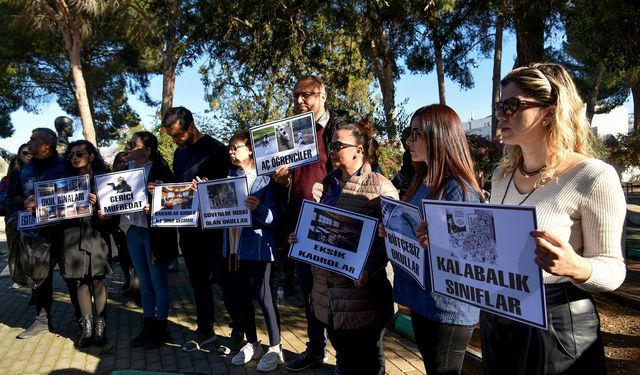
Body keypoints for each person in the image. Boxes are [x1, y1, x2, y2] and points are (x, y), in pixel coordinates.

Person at [481, 62, 626, 374]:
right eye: (499, 106)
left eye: (512, 105)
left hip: (558, 326)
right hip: (500, 316)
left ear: (549, 111)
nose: (500, 115)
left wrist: (577, 266)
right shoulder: (501, 175)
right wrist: (441, 242)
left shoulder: (594, 175)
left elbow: (614, 269)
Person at [379, 104, 483, 374]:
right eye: (408, 134)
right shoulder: (421, 179)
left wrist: (441, 241)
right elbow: (414, 227)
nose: (408, 142)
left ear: (438, 137)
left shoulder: (458, 189)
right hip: (423, 300)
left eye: (416, 135)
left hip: (448, 308)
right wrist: (393, 231)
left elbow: (475, 257)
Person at [288, 119, 397, 375]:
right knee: (345, 362)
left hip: (362, 299)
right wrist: (302, 237)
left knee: (369, 363)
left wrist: (368, 268)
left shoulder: (381, 186)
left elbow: (392, 239)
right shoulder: (328, 184)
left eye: (339, 145)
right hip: (329, 298)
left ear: (359, 150)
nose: (333, 150)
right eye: (331, 145)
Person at [273, 75, 350, 372]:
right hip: (299, 225)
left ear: (323, 95)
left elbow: (354, 173)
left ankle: (345, 356)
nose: (300, 101)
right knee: (309, 294)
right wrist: (281, 181)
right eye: (296, 95)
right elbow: (286, 183)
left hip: (332, 226)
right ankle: (315, 348)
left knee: (337, 294)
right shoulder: (289, 134)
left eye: (307, 94)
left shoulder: (338, 131)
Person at [161, 106, 241, 352]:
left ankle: (239, 328)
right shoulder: (179, 153)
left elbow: (232, 186)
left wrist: (210, 187)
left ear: (190, 126)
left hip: (215, 230)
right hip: (188, 229)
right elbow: (179, 188)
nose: (175, 140)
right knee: (198, 281)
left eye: (178, 135)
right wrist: (163, 191)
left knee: (225, 280)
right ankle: (205, 328)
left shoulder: (216, 149)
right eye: (172, 137)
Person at [222, 131, 284, 371]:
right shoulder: (228, 177)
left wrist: (258, 209)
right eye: (229, 148)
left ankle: (276, 348)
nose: (231, 151)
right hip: (233, 247)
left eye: (235, 147)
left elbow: (275, 217)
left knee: (264, 297)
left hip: (259, 248)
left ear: (250, 149)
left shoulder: (266, 179)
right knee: (240, 297)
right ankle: (252, 343)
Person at [121, 131, 178, 350]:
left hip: (155, 234)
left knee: (158, 281)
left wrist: (156, 200)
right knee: (143, 282)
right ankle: (147, 326)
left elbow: (177, 200)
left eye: (132, 145)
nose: (127, 148)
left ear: (146, 150)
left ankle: (160, 327)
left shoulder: (161, 170)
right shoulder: (125, 172)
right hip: (134, 231)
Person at [60, 140, 112, 347]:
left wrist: (98, 202)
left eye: (79, 154)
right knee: (79, 282)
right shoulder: (63, 182)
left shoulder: (103, 180)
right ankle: (87, 329)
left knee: (98, 281)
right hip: (71, 236)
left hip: (95, 235)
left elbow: (113, 211)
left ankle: (100, 328)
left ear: (91, 156)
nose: (74, 158)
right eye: (71, 155)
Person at [17, 128, 66, 339]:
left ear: (48, 144)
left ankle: (84, 320)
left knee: (71, 276)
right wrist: (22, 202)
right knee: (39, 277)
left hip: (63, 232)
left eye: (34, 139)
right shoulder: (25, 170)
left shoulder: (65, 166)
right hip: (35, 234)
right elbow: (12, 198)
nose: (29, 142)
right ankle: (42, 321)